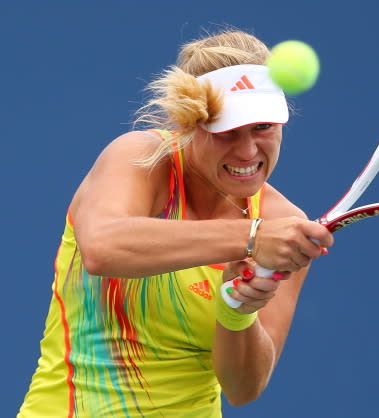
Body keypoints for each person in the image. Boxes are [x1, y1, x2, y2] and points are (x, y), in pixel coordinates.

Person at [18, 29, 333, 417]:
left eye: (263, 127)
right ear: (188, 124)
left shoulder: (282, 224)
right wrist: (250, 237)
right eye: (227, 132)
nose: (249, 150)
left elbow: (244, 388)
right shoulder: (140, 159)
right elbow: (101, 247)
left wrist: (237, 307)